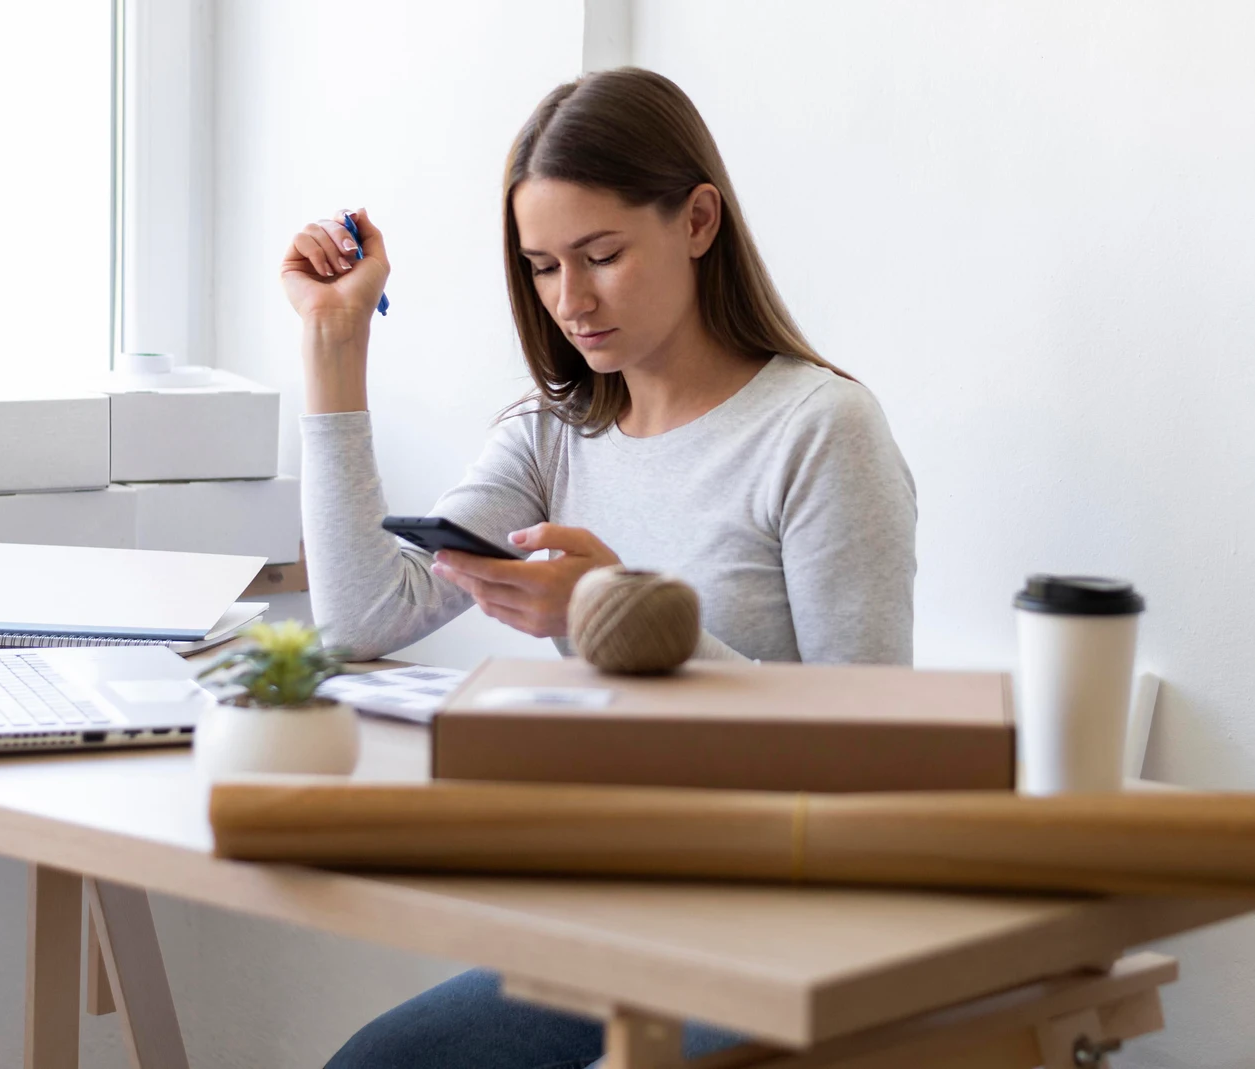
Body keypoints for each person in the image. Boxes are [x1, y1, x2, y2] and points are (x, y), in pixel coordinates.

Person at [284, 67, 916, 1069]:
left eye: (602, 255)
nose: (569, 301)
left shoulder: (818, 430)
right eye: (540, 266)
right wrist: (333, 341)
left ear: (698, 220)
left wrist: (615, 615)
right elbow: (357, 622)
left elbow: (873, 765)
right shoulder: (554, 432)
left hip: (789, 931)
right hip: (618, 918)